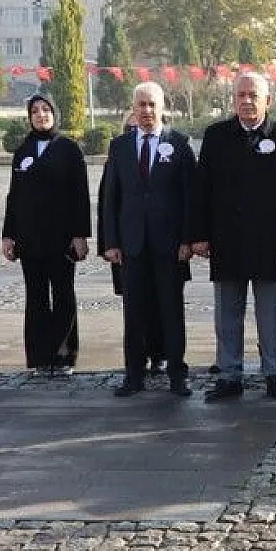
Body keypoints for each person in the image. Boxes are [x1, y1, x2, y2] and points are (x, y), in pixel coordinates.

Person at [195, 71, 276, 403]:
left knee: (271, 313)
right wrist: (199, 235)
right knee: (227, 313)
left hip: (270, 242)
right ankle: (229, 375)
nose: (247, 101)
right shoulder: (216, 136)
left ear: (268, 100)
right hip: (227, 240)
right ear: (233, 100)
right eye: (241, 95)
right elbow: (202, 190)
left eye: (253, 95)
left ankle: (275, 373)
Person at [102, 82, 197, 397]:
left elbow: (189, 197)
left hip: (169, 245)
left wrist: (187, 239)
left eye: (151, 104)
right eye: (141, 105)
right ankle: (134, 375)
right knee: (134, 312)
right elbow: (111, 198)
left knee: (171, 311)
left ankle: (177, 374)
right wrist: (111, 242)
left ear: (162, 107)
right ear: (133, 108)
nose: (146, 111)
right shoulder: (120, 146)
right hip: (132, 244)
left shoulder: (179, 144)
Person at [0, 93, 89, 375]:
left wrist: (80, 234)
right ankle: (39, 356)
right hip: (29, 236)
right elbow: (14, 196)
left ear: (54, 113)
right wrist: (8, 235)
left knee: (63, 295)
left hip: (61, 236)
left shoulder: (68, 149)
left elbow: (80, 195)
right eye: (35, 111)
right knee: (36, 296)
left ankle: (64, 355)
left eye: (46, 109)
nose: (41, 115)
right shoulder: (23, 150)